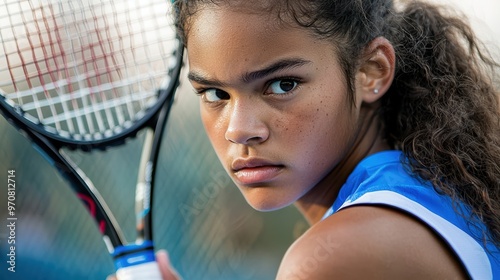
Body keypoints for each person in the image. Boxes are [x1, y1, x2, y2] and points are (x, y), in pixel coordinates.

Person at [114, 0, 500, 279]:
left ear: (371, 71)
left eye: (282, 85)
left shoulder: (333, 259)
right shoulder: (438, 192)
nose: (239, 129)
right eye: (215, 94)